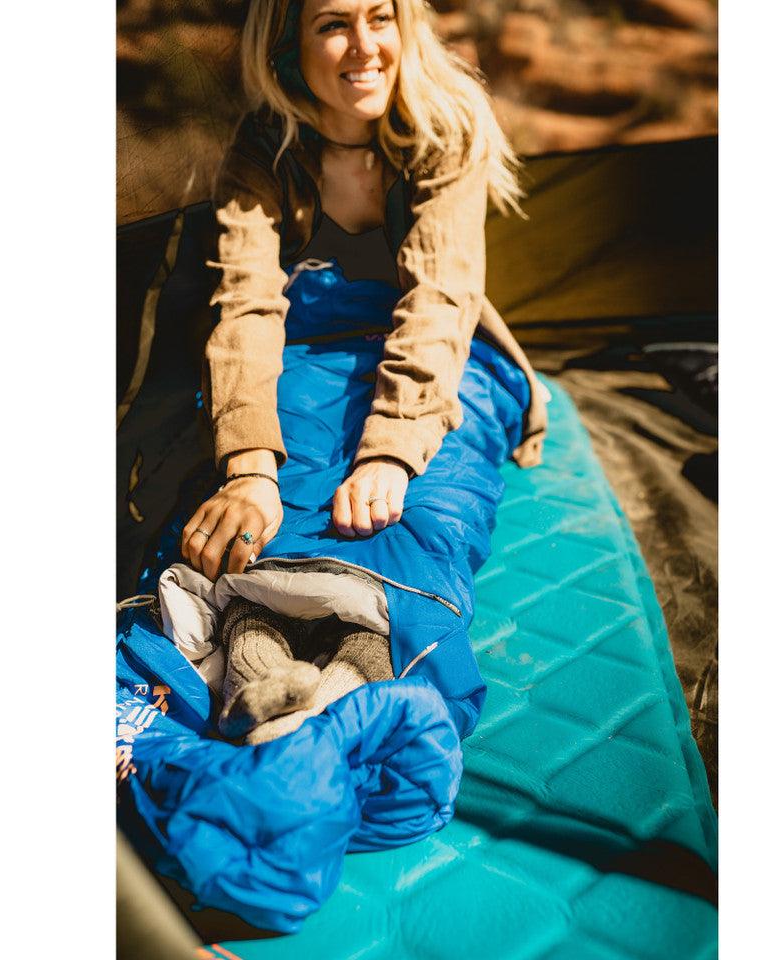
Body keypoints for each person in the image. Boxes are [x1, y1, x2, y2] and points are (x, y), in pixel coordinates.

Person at [168, 0, 548, 745]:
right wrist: (249, 467)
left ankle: (361, 677)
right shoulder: (266, 149)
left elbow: (441, 303)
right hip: (313, 346)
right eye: (334, 24)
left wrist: (391, 451)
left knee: (424, 500)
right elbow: (246, 306)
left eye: (382, 17)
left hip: (442, 358)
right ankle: (257, 664)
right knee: (275, 495)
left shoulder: (446, 126)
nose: (365, 46)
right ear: (287, 46)